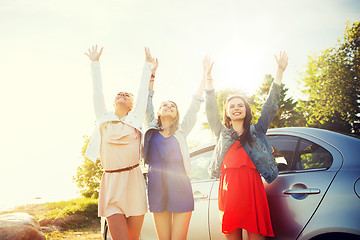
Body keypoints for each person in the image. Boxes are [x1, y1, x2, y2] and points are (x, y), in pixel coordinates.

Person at [205, 52, 288, 240]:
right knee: (232, 236)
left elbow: (271, 106)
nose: (236, 108)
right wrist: (209, 80)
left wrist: (279, 72)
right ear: (227, 112)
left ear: (246, 110)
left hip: (252, 187)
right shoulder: (221, 132)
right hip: (228, 188)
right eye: (232, 106)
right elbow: (210, 109)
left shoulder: (257, 131)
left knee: (256, 236)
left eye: (240, 105)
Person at [84, 45, 157, 240]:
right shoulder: (103, 118)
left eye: (127, 95)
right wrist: (95, 64)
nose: (123, 95)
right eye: (119, 94)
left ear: (132, 105)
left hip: (134, 180)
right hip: (111, 182)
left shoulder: (134, 120)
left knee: (133, 237)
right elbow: (96, 93)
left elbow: (142, 93)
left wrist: (147, 65)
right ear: (113, 101)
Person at [142, 56, 209, 240]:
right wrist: (152, 74)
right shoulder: (151, 128)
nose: (168, 106)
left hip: (180, 184)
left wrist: (204, 79)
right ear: (158, 112)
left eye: (172, 105)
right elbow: (147, 99)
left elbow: (195, 105)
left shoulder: (182, 130)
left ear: (177, 112)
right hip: (156, 185)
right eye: (165, 105)